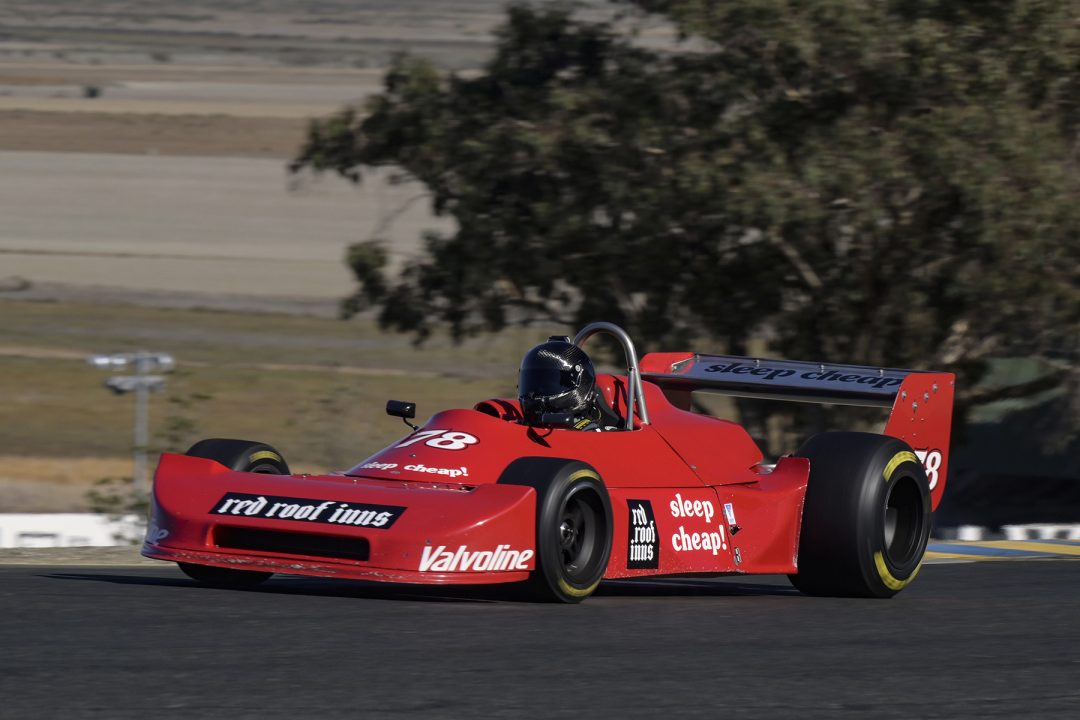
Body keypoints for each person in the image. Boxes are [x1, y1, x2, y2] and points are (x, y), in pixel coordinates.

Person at [518, 336, 619, 431]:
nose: (533, 394)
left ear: (579, 382)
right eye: (532, 383)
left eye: (547, 385)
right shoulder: (523, 424)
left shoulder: (594, 432)